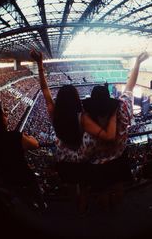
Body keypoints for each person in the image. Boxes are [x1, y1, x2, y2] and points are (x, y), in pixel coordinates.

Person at [30, 49, 118, 213]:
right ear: (77, 99)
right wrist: (113, 114)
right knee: (84, 186)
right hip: (81, 160)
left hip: (63, 159)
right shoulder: (83, 118)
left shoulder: (54, 114)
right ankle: (82, 208)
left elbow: (44, 90)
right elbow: (107, 136)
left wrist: (40, 65)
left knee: (71, 186)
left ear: (60, 100)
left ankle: (75, 206)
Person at [82, 52, 149, 209]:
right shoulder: (123, 109)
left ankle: (106, 215)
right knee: (119, 186)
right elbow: (130, 87)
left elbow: (86, 152)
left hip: (99, 166)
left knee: (103, 191)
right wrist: (138, 63)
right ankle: (118, 210)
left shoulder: (89, 127)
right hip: (119, 158)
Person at [0, 103, 46, 210]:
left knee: (23, 200)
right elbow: (35, 144)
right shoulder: (14, 136)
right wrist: (28, 136)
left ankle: (29, 208)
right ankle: (42, 208)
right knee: (36, 193)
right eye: (4, 115)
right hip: (24, 176)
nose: (6, 117)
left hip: (7, 179)